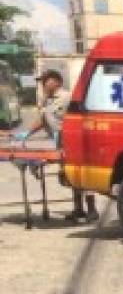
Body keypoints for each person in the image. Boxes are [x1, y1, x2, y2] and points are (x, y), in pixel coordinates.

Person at [20, 70, 98, 223]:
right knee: (69, 175)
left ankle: (92, 210)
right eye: (42, 81)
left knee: (81, 174)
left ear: (57, 82)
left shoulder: (67, 97)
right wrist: (26, 133)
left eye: (46, 80)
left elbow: (81, 116)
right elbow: (43, 120)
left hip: (74, 141)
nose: (43, 84)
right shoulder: (47, 100)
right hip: (61, 143)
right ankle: (78, 209)